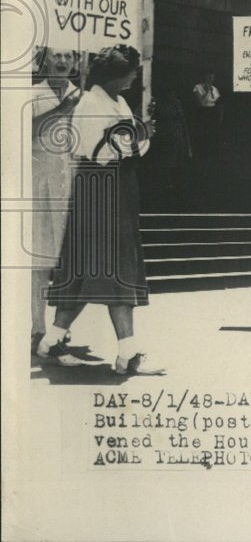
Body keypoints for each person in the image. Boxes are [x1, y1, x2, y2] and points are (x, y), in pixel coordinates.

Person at [36, 45, 164, 374]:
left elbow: (131, 144)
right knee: (116, 270)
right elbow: (107, 151)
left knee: (85, 273)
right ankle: (128, 355)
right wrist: (139, 136)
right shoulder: (91, 104)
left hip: (118, 190)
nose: (135, 77)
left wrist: (135, 138)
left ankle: (50, 342)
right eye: (131, 72)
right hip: (100, 191)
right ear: (116, 73)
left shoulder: (117, 102)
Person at [29, 48, 81, 355]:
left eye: (68, 57)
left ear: (76, 62)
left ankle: (61, 329)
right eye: (56, 56)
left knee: (66, 258)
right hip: (39, 183)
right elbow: (28, 129)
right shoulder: (33, 93)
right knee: (39, 256)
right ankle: (37, 326)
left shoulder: (81, 95)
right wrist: (63, 108)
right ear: (46, 59)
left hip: (70, 182)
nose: (62, 62)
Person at [191, 71, 222, 159]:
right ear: (205, 77)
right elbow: (200, 102)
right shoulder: (198, 87)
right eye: (209, 77)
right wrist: (207, 90)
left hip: (212, 113)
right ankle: (201, 154)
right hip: (202, 113)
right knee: (203, 135)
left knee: (212, 135)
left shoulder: (215, 89)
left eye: (213, 78)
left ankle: (212, 154)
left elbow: (216, 102)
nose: (211, 80)